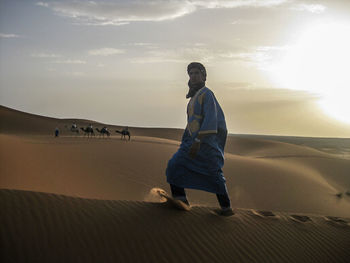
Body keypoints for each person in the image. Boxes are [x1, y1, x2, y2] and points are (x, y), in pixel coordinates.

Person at [166, 62, 233, 216]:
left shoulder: (207, 94)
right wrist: (187, 140)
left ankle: (226, 208)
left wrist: (198, 141)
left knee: (213, 172)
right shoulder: (193, 98)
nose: (193, 76)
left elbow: (211, 119)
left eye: (197, 73)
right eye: (191, 73)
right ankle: (181, 200)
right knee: (174, 165)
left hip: (206, 143)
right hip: (191, 143)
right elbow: (192, 123)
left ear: (203, 76)